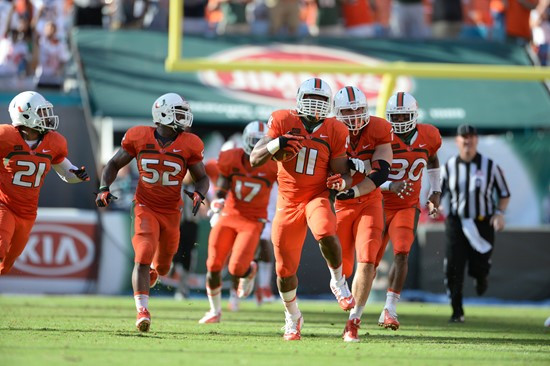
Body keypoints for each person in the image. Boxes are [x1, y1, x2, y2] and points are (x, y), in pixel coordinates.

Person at [250, 77, 355, 341]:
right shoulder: (283, 120)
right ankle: (293, 317)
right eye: (311, 98)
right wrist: (278, 143)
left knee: (326, 231)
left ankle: (338, 281)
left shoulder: (336, 130)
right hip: (287, 202)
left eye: (322, 100)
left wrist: (341, 181)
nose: (316, 105)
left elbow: (341, 171)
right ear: (298, 99)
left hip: (316, 195)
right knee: (284, 271)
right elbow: (254, 158)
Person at [95, 93, 209, 332]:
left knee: (165, 266)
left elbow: (202, 177)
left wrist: (200, 193)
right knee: (143, 253)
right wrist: (104, 187)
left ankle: (154, 271)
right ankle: (142, 310)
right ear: (164, 113)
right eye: (178, 112)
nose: (183, 117)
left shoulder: (190, 143)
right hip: (145, 206)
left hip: (172, 211)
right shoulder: (139, 136)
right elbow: (114, 164)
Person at [0, 91, 89, 274]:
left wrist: (76, 175)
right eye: (41, 112)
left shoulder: (54, 142)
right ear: (24, 114)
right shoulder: (5, 136)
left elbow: (65, 172)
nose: (46, 117)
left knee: (5, 266)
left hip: (28, 213)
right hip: (4, 204)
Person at [199, 120, 278, 324]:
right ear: (244, 141)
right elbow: (224, 183)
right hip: (230, 215)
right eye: (254, 141)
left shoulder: (274, 164)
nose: (257, 146)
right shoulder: (231, 158)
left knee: (236, 268)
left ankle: (249, 270)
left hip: (253, 219)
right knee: (214, 264)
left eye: (261, 142)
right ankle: (214, 310)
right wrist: (218, 201)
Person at [331, 86, 393, 343]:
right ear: (337, 112)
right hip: (341, 204)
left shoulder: (378, 128)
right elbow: (328, 172)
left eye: (359, 109)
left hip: (368, 200)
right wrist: (342, 181)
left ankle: (353, 321)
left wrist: (353, 188)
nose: (355, 115)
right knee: (343, 265)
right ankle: (337, 282)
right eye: (348, 111)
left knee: (367, 260)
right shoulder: (331, 131)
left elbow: (381, 173)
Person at [376, 92, 442, 331]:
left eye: (405, 115)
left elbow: (432, 160)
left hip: (407, 204)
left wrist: (435, 191)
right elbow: (367, 174)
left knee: (402, 252)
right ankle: (356, 313)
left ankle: (390, 309)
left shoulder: (429, 135)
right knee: (368, 262)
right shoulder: (380, 135)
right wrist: (388, 185)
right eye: (396, 115)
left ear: (415, 114)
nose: (401, 119)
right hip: (378, 203)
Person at [441, 124, 510, 323]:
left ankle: (481, 277)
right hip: (456, 222)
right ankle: (457, 310)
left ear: (476, 140)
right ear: (457, 141)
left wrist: (499, 213)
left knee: (479, 266)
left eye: (470, 137)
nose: (467, 141)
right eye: (463, 137)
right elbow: (438, 193)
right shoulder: (449, 167)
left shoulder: (490, 166)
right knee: (454, 266)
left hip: (482, 223)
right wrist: (433, 204)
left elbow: (504, 193)